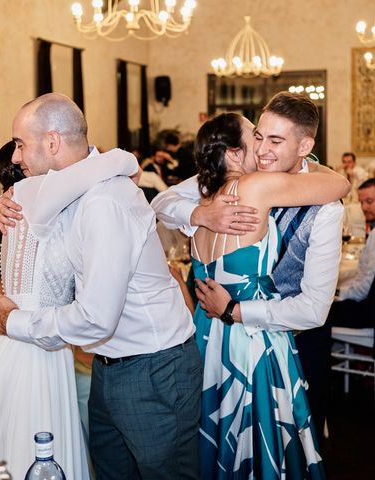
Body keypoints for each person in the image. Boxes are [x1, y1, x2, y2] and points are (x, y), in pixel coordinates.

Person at [0, 93, 201, 480]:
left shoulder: (104, 202)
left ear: (53, 142)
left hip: (153, 368)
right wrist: (5, 199)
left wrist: (16, 322)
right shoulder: (76, 190)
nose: (16, 157)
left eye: (20, 145)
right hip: (110, 367)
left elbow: (96, 318)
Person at [151, 91, 347, 453]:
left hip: (296, 343)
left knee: (286, 449)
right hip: (228, 343)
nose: (261, 149)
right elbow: (161, 201)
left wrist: (235, 311)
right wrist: (199, 214)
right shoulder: (237, 182)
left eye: (275, 140)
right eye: (258, 136)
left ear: (305, 146)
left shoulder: (326, 209)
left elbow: (314, 309)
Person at [0, 133, 140, 479]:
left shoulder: (18, 206)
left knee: (7, 454)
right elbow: (124, 162)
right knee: (34, 449)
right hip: (37, 351)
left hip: (14, 348)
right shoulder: (38, 199)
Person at [328, 178, 375, 329]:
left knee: (318, 315)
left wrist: (338, 294)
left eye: (369, 201)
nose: (364, 208)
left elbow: (365, 287)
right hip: (367, 303)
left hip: (368, 311)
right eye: (362, 202)